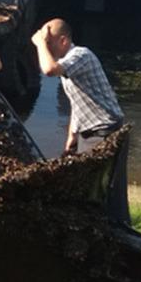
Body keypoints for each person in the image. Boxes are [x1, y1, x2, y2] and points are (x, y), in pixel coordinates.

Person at [31, 19, 129, 224]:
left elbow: (48, 70)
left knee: (104, 188)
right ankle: (101, 226)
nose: (46, 48)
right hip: (90, 129)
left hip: (104, 129)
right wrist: (72, 135)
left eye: (50, 43)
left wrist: (40, 43)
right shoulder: (69, 64)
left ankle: (116, 230)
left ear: (63, 41)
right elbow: (79, 100)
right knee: (88, 186)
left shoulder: (81, 55)